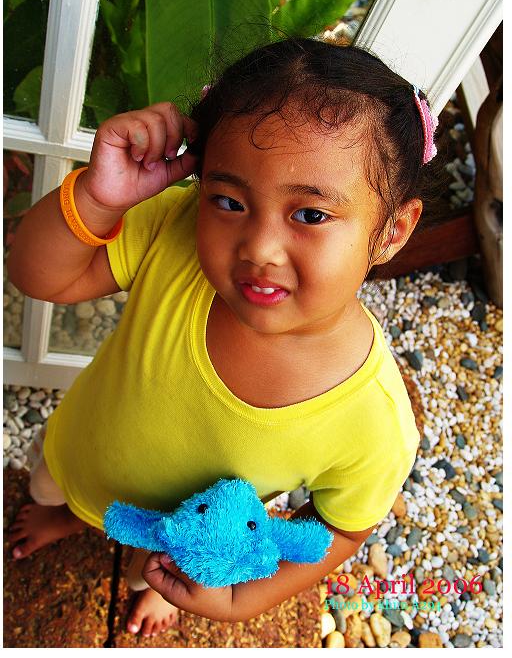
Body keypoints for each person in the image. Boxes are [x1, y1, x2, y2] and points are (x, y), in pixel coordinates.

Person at [7, 38, 437, 636]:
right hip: (79, 448)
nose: (259, 248)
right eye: (230, 201)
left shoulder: (374, 420)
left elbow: (341, 528)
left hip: (182, 533)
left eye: (310, 215)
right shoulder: (177, 231)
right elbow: (37, 275)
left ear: (392, 230)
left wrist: (243, 598)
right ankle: (68, 517)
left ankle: (149, 586)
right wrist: (97, 198)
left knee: (152, 572)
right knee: (50, 488)